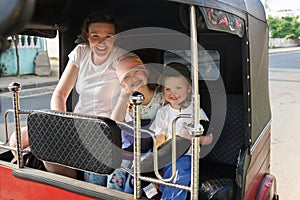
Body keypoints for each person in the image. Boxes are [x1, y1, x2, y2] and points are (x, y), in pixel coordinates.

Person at [9, 11, 127, 180]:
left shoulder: (120, 56)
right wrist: (60, 122)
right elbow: (60, 93)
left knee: (47, 150)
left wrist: (132, 76)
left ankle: (73, 184)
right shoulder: (81, 52)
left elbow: (130, 67)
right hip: (77, 124)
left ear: (115, 38)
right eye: (95, 35)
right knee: (18, 138)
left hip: (103, 131)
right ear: (87, 36)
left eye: (108, 36)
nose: (102, 42)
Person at [149, 62, 213, 199]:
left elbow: (209, 139)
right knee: (157, 172)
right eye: (168, 89)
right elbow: (159, 140)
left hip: (187, 156)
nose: (173, 93)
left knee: (177, 172)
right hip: (167, 155)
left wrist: (193, 137)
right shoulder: (163, 112)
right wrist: (156, 165)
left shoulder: (196, 111)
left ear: (189, 88)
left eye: (178, 88)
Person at [107, 52, 164, 193]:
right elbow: (114, 124)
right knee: (114, 186)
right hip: (126, 151)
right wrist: (124, 96)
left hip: (150, 152)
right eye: (127, 76)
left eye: (137, 71)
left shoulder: (162, 96)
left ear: (146, 72)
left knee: (135, 188)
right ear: (122, 83)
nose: (133, 77)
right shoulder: (125, 101)